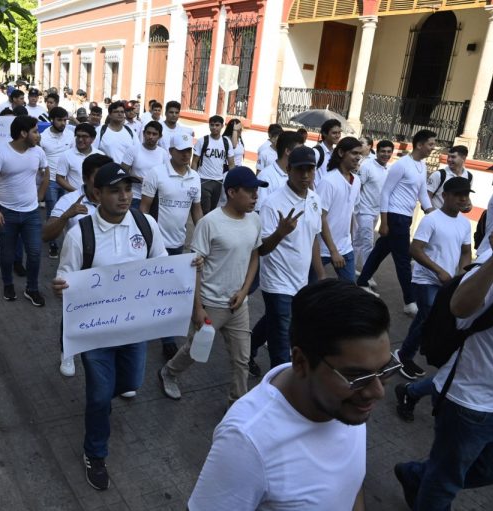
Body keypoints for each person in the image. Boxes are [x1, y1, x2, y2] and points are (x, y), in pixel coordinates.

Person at [190, 279, 395, 510]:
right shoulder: (246, 442)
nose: (377, 392)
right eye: (357, 376)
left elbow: (351, 484)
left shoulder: (349, 404)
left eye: (384, 370)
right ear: (300, 362)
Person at [52, 162, 169, 491]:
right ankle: (95, 452)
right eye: (115, 190)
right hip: (96, 333)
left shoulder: (146, 225)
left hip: (134, 330)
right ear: (96, 194)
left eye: (128, 189)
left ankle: (102, 411)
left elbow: (160, 265)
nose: (124, 196)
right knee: (100, 397)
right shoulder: (80, 234)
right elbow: (65, 276)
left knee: (130, 383)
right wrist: (60, 286)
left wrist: (186, 267)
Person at [394, 222, 493, 510]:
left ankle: (418, 474)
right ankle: (430, 479)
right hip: (471, 402)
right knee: (444, 484)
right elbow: (459, 307)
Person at [159, 167, 267, 406]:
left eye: (256, 192)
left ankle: (236, 405)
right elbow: (194, 266)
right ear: (231, 192)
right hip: (211, 305)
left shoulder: (255, 220)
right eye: (250, 192)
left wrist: (244, 290)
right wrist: (197, 308)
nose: (255, 197)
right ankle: (169, 372)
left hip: (239, 305)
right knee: (195, 351)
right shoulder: (209, 223)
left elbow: (254, 257)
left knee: (241, 360)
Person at [249, 146, 325, 374]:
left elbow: (313, 237)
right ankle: (280, 384)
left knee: (275, 320)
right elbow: (261, 250)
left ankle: (248, 349)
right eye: (300, 170)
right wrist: (280, 233)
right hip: (277, 282)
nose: (305, 176)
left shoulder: (314, 199)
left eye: (310, 170)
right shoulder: (273, 203)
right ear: (289, 170)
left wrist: (320, 274)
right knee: (283, 340)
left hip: (300, 280)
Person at [393, 176, 472, 392]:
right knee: (427, 316)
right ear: (445, 196)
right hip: (426, 278)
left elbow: (466, 252)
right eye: (458, 195)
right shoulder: (432, 219)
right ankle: (404, 355)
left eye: (465, 195)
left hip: (448, 281)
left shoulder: (464, 223)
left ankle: (410, 352)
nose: (462, 199)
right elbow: (415, 249)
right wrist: (438, 270)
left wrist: (464, 274)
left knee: (428, 318)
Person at [44, 153, 111, 377]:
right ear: (84, 178)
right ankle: (68, 351)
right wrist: (66, 216)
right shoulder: (69, 200)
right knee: (73, 313)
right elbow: (46, 234)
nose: (103, 184)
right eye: (97, 178)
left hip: (109, 273)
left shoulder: (115, 199)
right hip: (78, 274)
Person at [356, 129, 436, 315]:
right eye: (431, 144)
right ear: (419, 145)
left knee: (380, 250)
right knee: (403, 260)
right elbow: (386, 192)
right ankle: (409, 301)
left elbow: (422, 192)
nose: (433, 148)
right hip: (394, 216)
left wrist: (431, 212)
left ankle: (362, 281)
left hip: (405, 217)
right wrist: (384, 222)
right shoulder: (402, 165)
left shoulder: (422, 165)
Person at [140, 133, 202, 361]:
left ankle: (167, 338)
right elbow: (144, 209)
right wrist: (143, 241)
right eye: (182, 150)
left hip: (178, 246)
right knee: (148, 290)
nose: (187, 154)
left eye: (190, 150)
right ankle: (142, 331)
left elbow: (196, 210)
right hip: (154, 246)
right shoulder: (156, 174)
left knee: (170, 293)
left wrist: (203, 235)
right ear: (171, 152)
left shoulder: (195, 177)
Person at [0, 115, 49, 306]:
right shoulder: (0, 152)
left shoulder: (38, 152)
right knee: (7, 253)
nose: (38, 135)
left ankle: (32, 288)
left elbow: (45, 174)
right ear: (23, 133)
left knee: (35, 252)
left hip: (31, 213)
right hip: (7, 212)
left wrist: (39, 196)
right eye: (35, 131)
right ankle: (8, 284)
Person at [315, 137, 363, 282]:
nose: (358, 158)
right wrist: (333, 251)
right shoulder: (328, 181)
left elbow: (349, 213)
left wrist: (349, 238)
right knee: (309, 290)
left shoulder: (357, 181)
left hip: (345, 247)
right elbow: (320, 217)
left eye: (360, 154)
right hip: (322, 248)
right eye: (354, 153)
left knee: (350, 292)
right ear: (341, 153)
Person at [353, 140, 394, 279]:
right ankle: (366, 277)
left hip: (377, 212)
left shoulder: (389, 169)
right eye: (383, 151)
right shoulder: (367, 167)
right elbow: (357, 187)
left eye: (389, 152)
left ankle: (350, 270)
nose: (386, 154)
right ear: (377, 151)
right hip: (363, 211)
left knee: (358, 242)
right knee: (367, 243)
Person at [39, 107, 75, 258]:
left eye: (65, 120)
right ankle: (53, 244)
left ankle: (70, 244)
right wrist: (43, 176)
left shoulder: (71, 135)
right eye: (59, 120)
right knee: (53, 213)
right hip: (51, 181)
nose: (63, 123)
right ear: (52, 120)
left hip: (67, 181)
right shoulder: (43, 137)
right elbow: (39, 159)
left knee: (71, 214)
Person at [192, 115, 236, 214]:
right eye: (212, 125)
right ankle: (202, 228)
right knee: (205, 210)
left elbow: (231, 163)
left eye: (217, 125)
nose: (214, 127)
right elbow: (194, 161)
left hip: (218, 181)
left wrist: (233, 181)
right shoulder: (202, 141)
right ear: (209, 126)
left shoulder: (226, 142)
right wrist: (193, 178)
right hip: (203, 179)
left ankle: (208, 229)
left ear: (222, 126)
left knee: (213, 211)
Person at [120, 120, 169, 209]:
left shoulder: (163, 153)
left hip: (155, 198)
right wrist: (137, 178)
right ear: (143, 133)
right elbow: (122, 172)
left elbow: (166, 176)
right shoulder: (133, 150)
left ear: (160, 136)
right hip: (135, 197)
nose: (150, 137)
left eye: (154, 134)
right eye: (148, 133)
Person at [255, 130, 303, 209]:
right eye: (299, 150)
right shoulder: (265, 177)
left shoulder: (297, 175)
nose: (302, 154)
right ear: (287, 151)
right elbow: (260, 210)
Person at [56, 123, 103, 193]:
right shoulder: (66, 155)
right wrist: (77, 193)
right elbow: (59, 178)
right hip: (74, 200)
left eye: (84, 136)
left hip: (96, 199)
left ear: (92, 139)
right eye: (78, 136)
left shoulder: (100, 155)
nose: (80, 139)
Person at [427, 145, 472, 210]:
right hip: (436, 215)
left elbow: (466, 196)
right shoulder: (439, 175)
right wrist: (431, 212)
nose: (449, 159)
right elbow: (427, 196)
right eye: (448, 156)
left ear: (463, 158)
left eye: (453, 157)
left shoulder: (469, 176)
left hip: (453, 217)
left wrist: (468, 205)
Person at [313, 119, 342, 186]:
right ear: (324, 134)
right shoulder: (316, 152)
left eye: (339, 133)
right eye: (334, 133)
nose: (338, 136)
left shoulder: (335, 153)